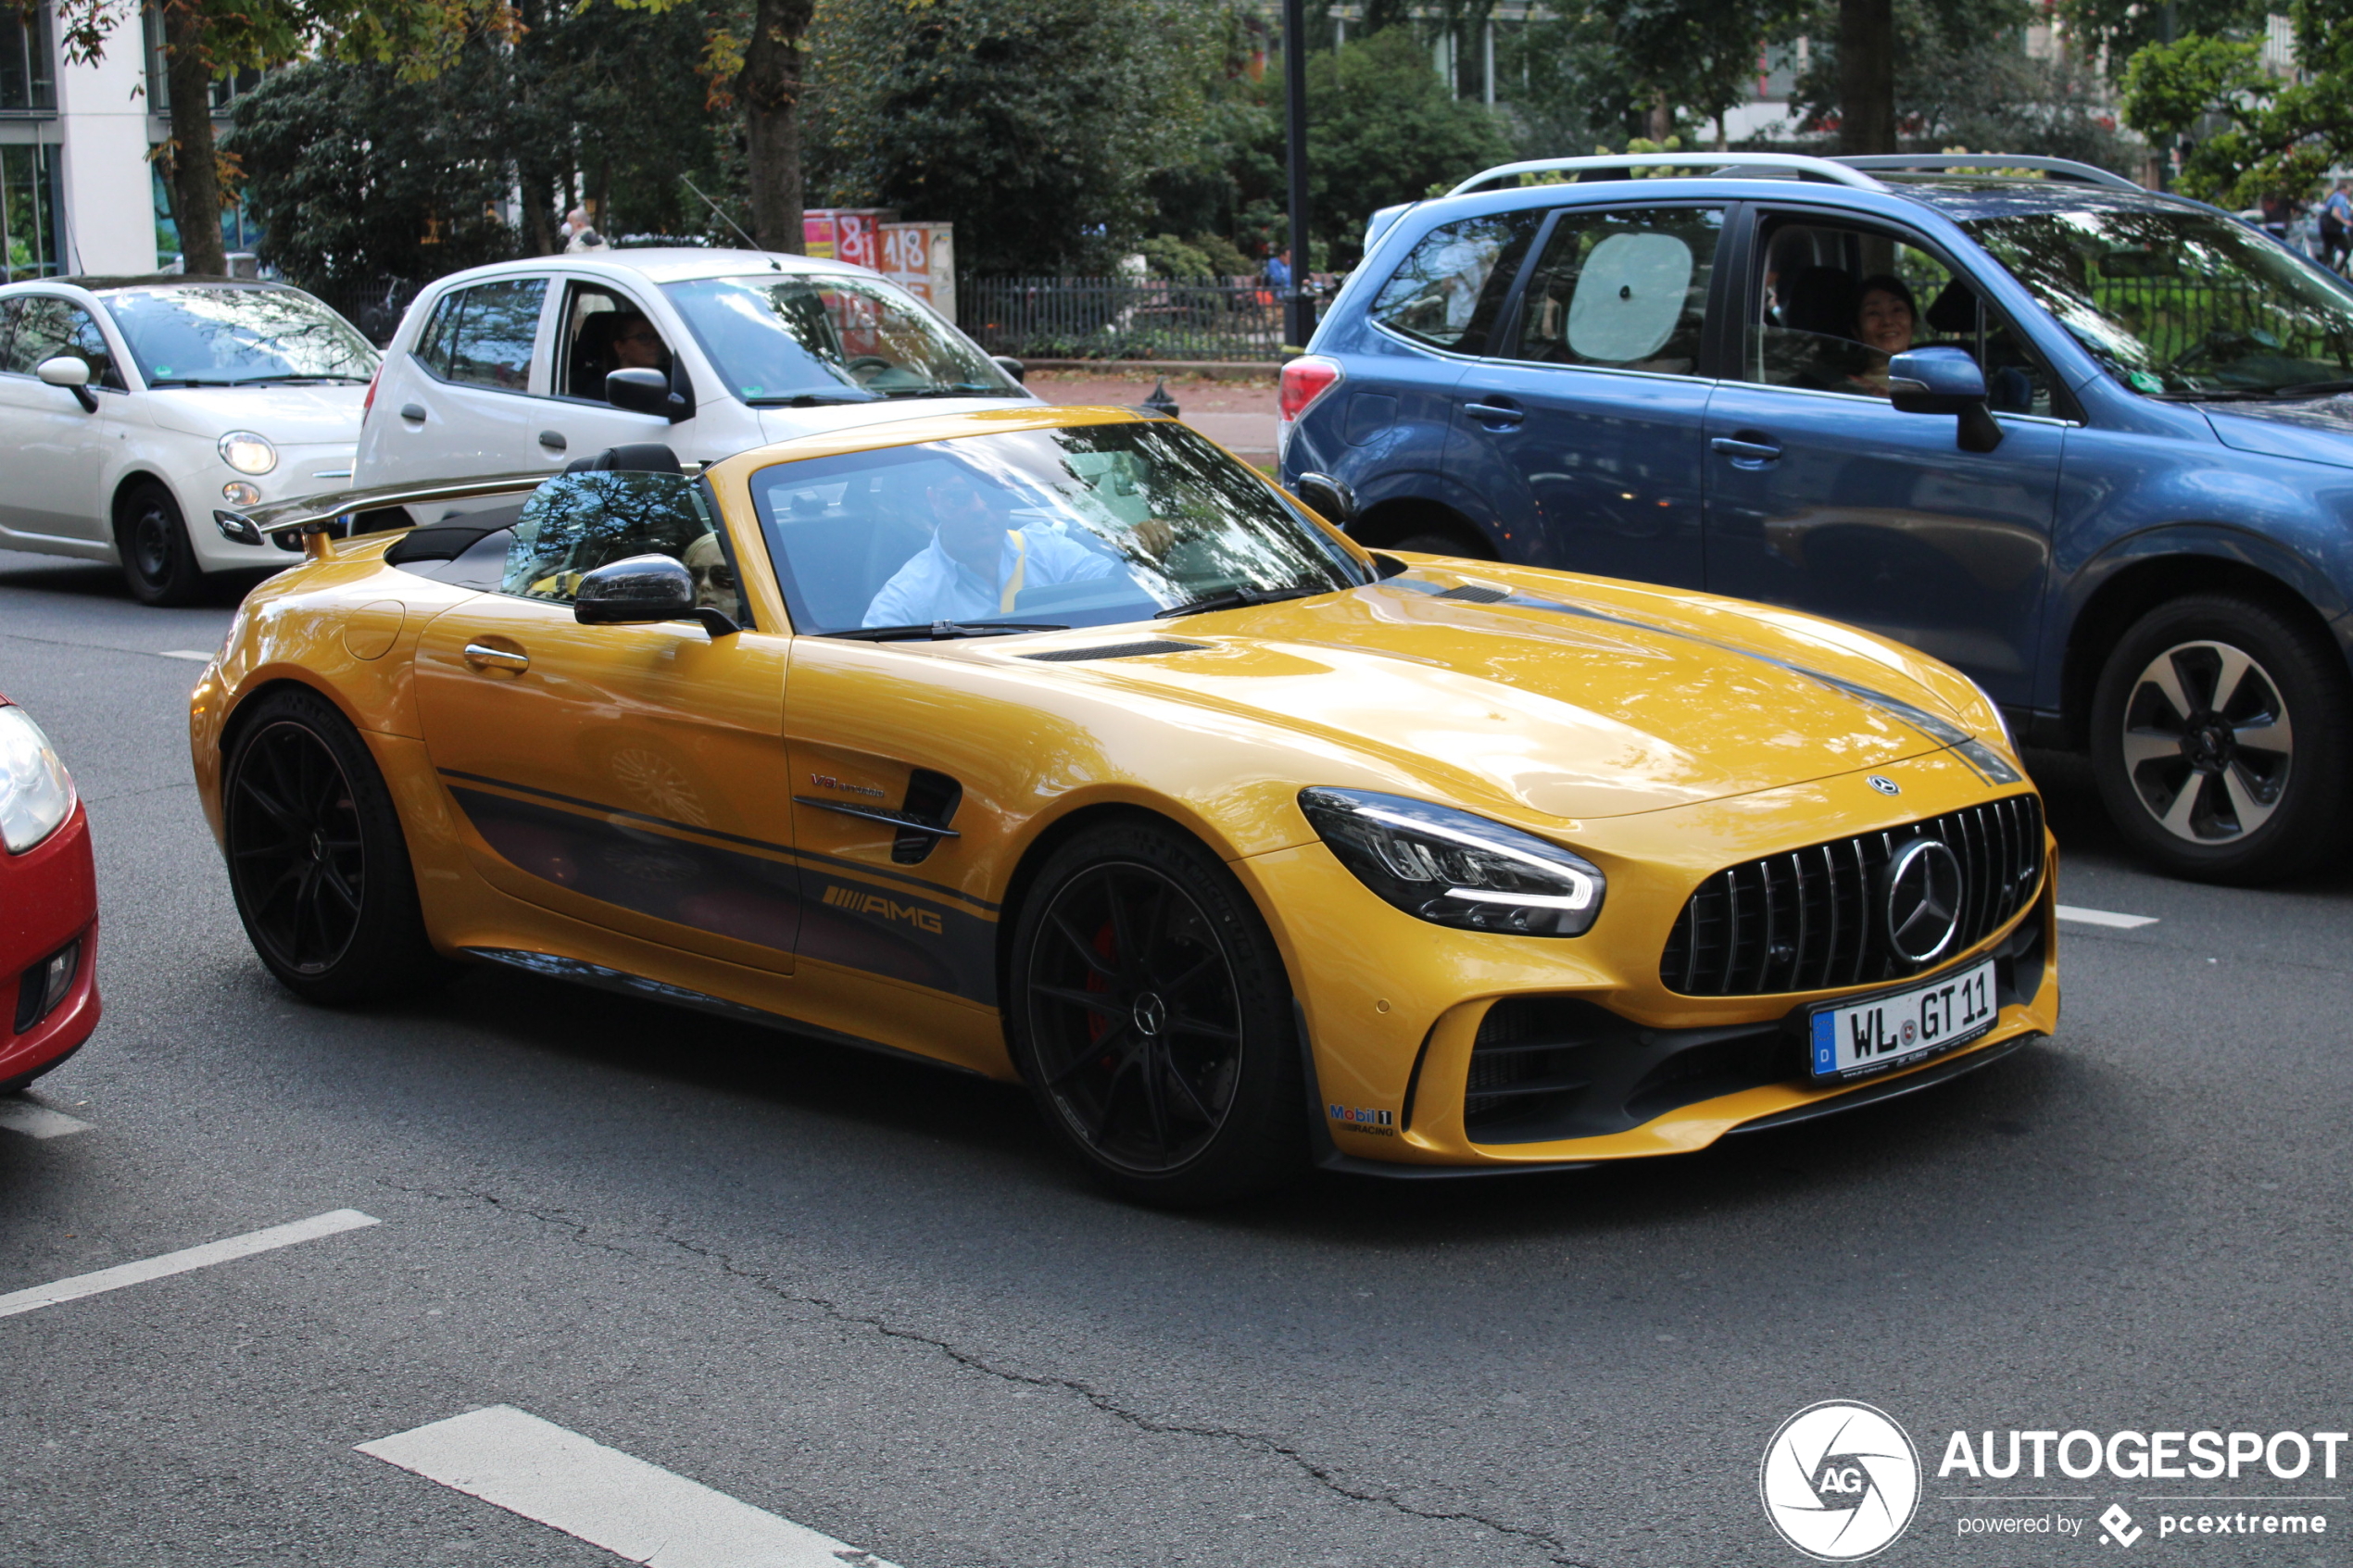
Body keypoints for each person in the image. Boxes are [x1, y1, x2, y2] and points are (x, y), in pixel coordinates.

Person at [862, 466, 1118, 627]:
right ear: (934, 500)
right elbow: (872, 669)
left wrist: (1143, 550)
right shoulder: (908, 596)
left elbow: (1120, 584)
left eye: (993, 494)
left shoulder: (1047, 549)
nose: (980, 508)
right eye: (959, 495)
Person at [1848, 273, 1919, 394]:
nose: (1887, 321)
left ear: (1913, 323)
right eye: (1873, 313)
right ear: (1856, 330)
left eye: (1897, 310)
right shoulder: (1848, 392)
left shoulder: (1937, 380)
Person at [2322, 181, 2353, 273]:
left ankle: (2323, 271)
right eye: (2349, 189)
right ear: (2344, 189)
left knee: (2328, 252)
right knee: (2347, 250)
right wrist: (2346, 222)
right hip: (2335, 229)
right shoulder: (2340, 197)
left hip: (2327, 229)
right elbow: (2335, 213)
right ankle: (2336, 272)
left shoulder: (2335, 196)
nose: (2350, 191)